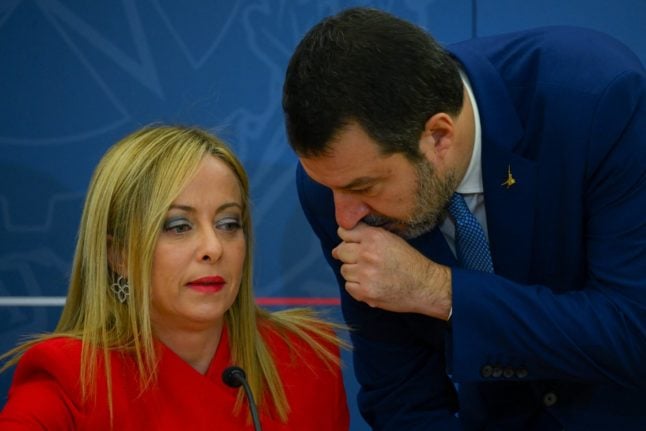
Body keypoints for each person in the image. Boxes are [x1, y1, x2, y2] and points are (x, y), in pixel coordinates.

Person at [282, 6, 646, 430]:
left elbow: (633, 329)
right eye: (332, 190)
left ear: (439, 136)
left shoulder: (597, 98)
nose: (345, 217)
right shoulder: (333, 183)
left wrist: (439, 290)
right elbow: (401, 395)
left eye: (365, 188)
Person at [0, 125, 349, 430]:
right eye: (179, 226)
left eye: (229, 224)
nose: (214, 248)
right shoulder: (70, 374)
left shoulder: (307, 358)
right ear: (119, 255)